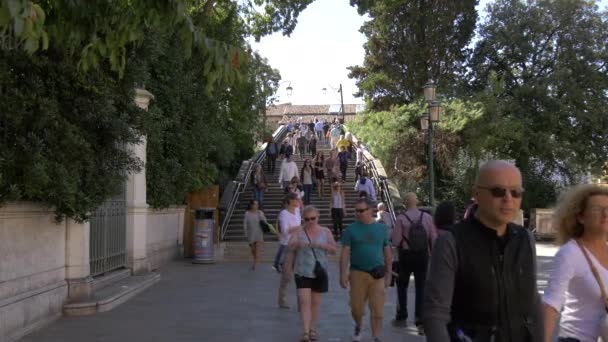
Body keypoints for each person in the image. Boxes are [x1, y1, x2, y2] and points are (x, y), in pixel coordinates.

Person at [423, 160, 543, 342]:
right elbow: (435, 315)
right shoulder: (451, 241)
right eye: (498, 191)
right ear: (476, 194)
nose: (508, 199)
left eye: (516, 192)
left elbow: (533, 303)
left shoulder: (525, 239)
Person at [543, 184, 608, 342]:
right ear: (580, 217)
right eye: (597, 209)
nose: (605, 214)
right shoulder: (570, 253)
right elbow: (551, 304)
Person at [340, 198, 393, 342]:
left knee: (378, 310)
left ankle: (375, 336)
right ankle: (358, 325)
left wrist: (389, 273)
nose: (358, 213)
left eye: (362, 210)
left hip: (377, 274)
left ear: (370, 210)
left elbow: (387, 251)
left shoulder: (381, 229)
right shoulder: (350, 230)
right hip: (357, 273)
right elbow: (345, 252)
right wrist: (342, 274)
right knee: (356, 308)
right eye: (356, 211)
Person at [284, 206, 337, 342]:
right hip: (302, 271)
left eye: (313, 218)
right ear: (303, 219)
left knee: (315, 302)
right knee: (304, 301)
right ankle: (306, 332)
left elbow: (333, 249)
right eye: (307, 219)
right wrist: (297, 243)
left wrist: (321, 246)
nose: (310, 221)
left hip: (319, 271)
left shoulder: (325, 231)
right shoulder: (299, 231)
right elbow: (289, 246)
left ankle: (313, 329)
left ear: (317, 217)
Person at [390, 192, 438, 332]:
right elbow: (434, 239)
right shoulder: (427, 218)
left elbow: (395, 241)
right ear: (417, 202)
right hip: (423, 256)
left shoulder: (401, 218)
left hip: (406, 256)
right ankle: (420, 321)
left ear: (405, 203)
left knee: (402, 285)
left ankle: (401, 317)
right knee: (421, 287)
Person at [276, 192, 302, 308]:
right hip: (287, 245)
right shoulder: (284, 214)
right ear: (290, 201)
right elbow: (285, 231)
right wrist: (300, 227)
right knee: (287, 275)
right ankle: (281, 298)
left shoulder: (297, 211)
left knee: (300, 273)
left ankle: (300, 300)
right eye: (296, 199)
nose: (298, 201)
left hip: (299, 244)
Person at [244, 199, 267, 270]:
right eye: (255, 204)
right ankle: (255, 259)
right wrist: (245, 232)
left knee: (257, 249)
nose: (256, 206)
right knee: (253, 250)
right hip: (251, 233)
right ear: (251, 205)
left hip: (259, 232)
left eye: (257, 204)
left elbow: (265, 221)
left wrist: (262, 218)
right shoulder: (247, 213)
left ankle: (255, 264)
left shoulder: (260, 212)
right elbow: (245, 223)